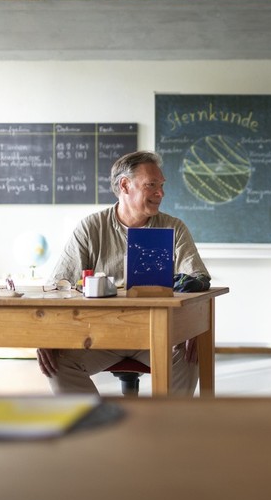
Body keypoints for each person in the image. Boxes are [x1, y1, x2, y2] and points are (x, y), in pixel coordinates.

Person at [36, 150, 211, 395]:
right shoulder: (90, 228)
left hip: (157, 334)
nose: (161, 193)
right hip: (100, 334)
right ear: (125, 185)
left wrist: (194, 325)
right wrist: (47, 335)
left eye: (161, 185)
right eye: (151, 185)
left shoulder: (174, 228)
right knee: (56, 361)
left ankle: (165, 427)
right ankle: (96, 424)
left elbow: (198, 278)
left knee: (191, 357)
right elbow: (58, 286)